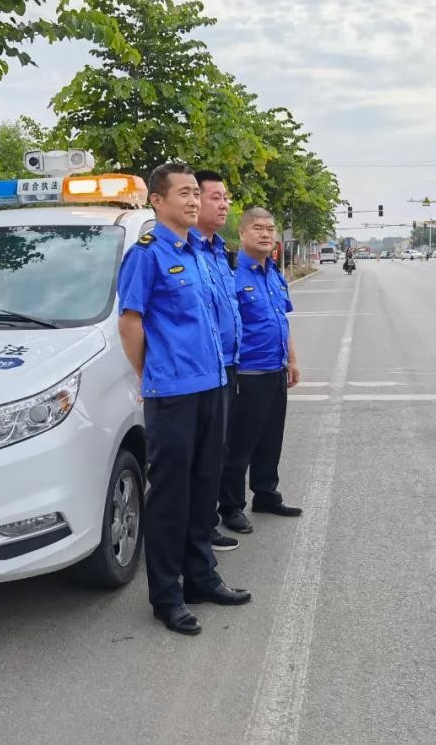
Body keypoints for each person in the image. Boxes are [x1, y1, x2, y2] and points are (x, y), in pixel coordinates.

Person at [117, 162, 251, 636]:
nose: (195, 201)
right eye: (185, 193)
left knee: (202, 488)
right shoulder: (147, 255)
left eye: (198, 193)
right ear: (158, 201)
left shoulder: (201, 252)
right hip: (173, 392)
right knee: (171, 496)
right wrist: (148, 373)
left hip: (212, 384)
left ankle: (201, 577)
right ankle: (167, 595)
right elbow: (130, 322)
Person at [219, 208, 303, 535]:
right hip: (246, 373)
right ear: (242, 234)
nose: (266, 234)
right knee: (240, 443)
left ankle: (266, 494)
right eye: (258, 228)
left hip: (275, 369)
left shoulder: (273, 273)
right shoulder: (232, 274)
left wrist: (292, 361)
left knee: (270, 438)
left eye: (270, 228)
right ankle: (231, 506)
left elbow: (283, 321)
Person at [194, 170, 244, 553]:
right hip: (198, 369)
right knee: (201, 456)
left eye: (225, 197)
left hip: (227, 363)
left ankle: (207, 522)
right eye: (216, 197)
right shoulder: (186, 250)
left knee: (220, 448)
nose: (224, 204)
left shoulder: (218, 250)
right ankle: (199, 527)